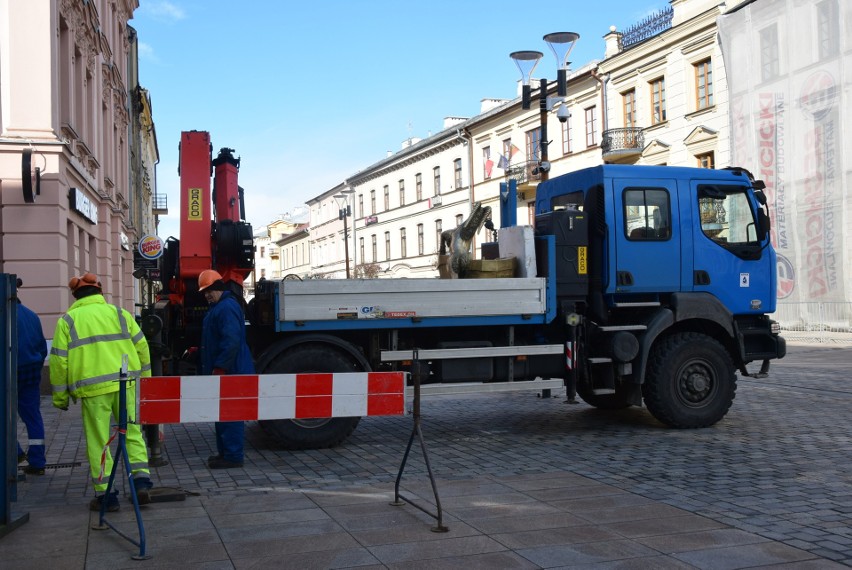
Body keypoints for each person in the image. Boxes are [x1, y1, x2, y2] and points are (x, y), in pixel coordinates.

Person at [49, 273, 154, 512]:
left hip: (93, 390)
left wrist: (60, 397)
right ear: (100, 292)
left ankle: (108, 496)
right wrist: (145, 383)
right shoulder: (120, 314)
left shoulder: (68, 320)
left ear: (75, 296)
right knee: (132, 432)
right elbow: (142, 347)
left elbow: (58, 362)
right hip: (125, 384)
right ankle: (141, 483)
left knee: (99, 442)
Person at [197, 269, 255, 469]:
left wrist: (221, 367)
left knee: (230, 415)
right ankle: (226, 453)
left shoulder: (225, 307)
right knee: (222, 414)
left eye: (208, 291)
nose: (206, 295)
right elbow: (221, 338)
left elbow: (231, 341)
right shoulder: (220, 307)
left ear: (218, 288)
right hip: (230, 370)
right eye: (204, 292)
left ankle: (232, 456)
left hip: (231, 372)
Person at [15, 277, 48, 476]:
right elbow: (42, 348)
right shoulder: (31, 315)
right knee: (33, 417)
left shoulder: (5, 316)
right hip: (32, 372)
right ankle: (37, 461)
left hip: (10, 373)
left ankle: (15, 453)